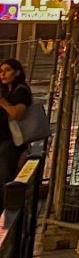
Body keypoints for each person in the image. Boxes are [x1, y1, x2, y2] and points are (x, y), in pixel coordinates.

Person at [0, 57, 33, 185]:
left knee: (4, 177)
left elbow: (18, 114)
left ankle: (5, 204)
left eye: (7, 70)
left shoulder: (21, 90)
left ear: (17, 72)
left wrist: (3, 103)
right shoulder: (6, 91)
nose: (3, 74)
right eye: (1, 71)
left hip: (11, 142)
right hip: (3, 140)